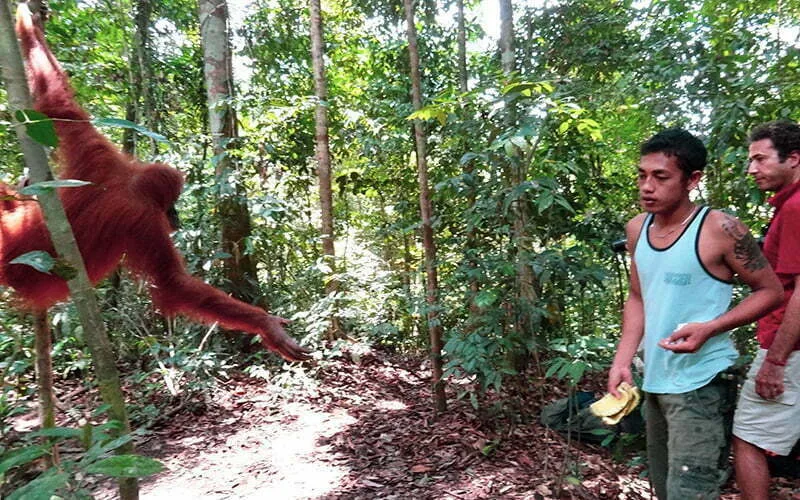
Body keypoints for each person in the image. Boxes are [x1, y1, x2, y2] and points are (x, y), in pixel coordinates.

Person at [607, 128, 782, 499]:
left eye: (661, 177)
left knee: (692, 492)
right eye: (642, 175)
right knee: (665, 489)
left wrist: (712, 327)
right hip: (654, 379)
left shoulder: (721, 228)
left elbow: (770, 291)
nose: (647, 187)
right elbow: (638, 297)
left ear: (693, 179)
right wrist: (622, 360)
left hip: (702, 384)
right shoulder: (637, 228)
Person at [733, 120, 800, 499]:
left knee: (748, 438)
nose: (751, 169)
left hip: (788, 348)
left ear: (793, 158)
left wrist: (775, 360)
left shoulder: (795, 207)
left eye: (760, 159)